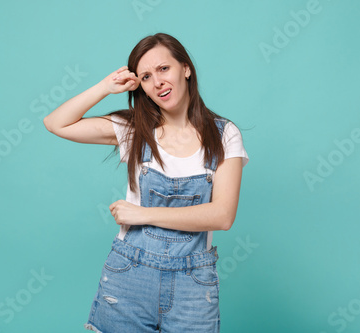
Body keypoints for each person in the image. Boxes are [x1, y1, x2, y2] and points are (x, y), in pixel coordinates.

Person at [43, 32, 249, 333]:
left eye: (164, 69)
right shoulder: (134, 130)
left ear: (186, 68)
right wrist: (105, 87)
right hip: (129, 275)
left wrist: (144, 214)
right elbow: (56, 123)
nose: (158, 82)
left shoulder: (224, 134)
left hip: (193, 282)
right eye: (146, 77)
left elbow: (222, 215)